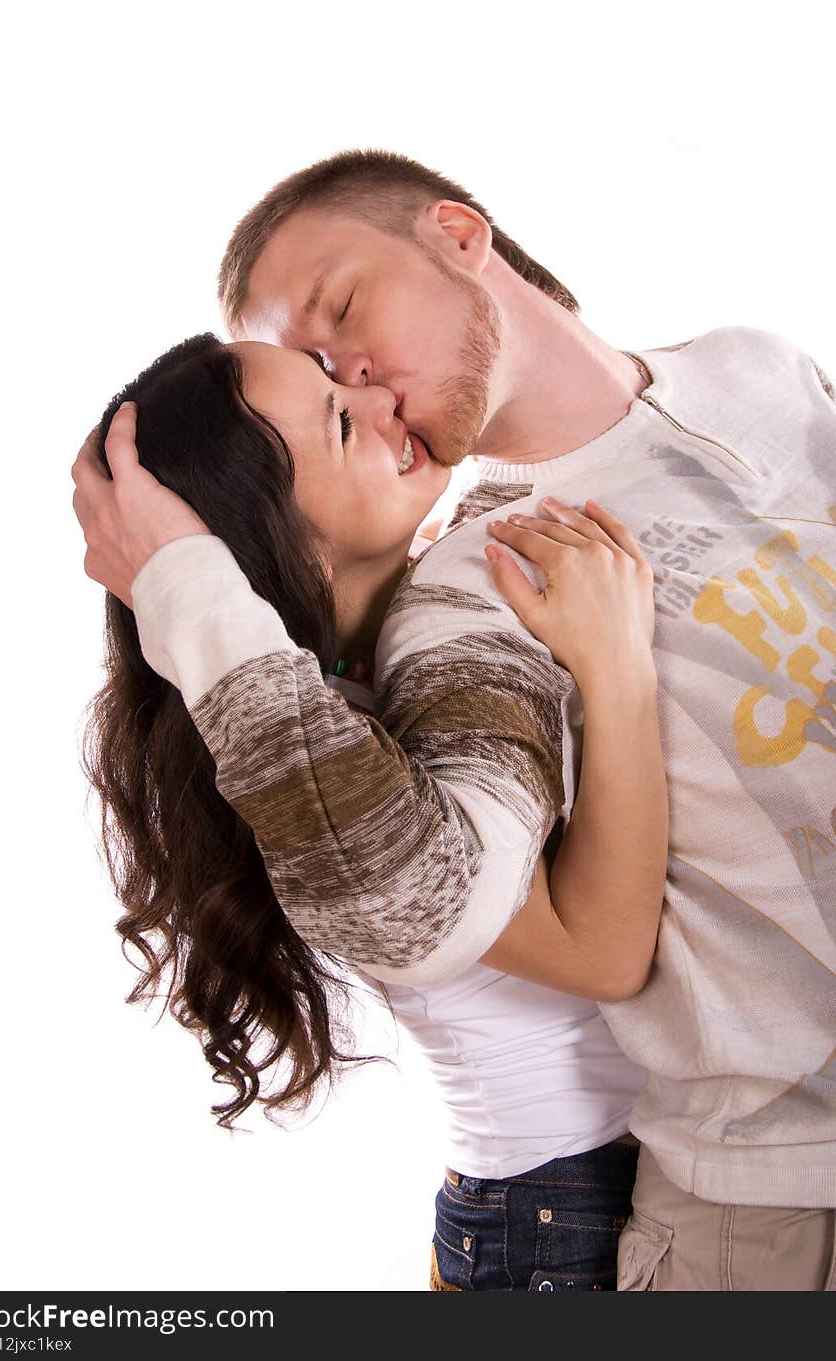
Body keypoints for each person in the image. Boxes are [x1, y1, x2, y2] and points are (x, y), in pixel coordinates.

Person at [73, 150, 836, 1291]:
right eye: (331, 395)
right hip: (623, 1193)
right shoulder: (452, 615)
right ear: (286, 538)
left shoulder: (746, 371)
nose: (374, 390)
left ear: (458, 233)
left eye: (340, 320)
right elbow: (570, 936)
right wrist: (186, 575)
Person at [76, 333, 666, 1292]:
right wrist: (617, 668)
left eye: (333, 364)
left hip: (582, 1188)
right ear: (279, 541)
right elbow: (604, 951)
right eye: (342, 419)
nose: (384, 394)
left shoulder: (424, 627)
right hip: (562, 1212)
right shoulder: (327, 753)